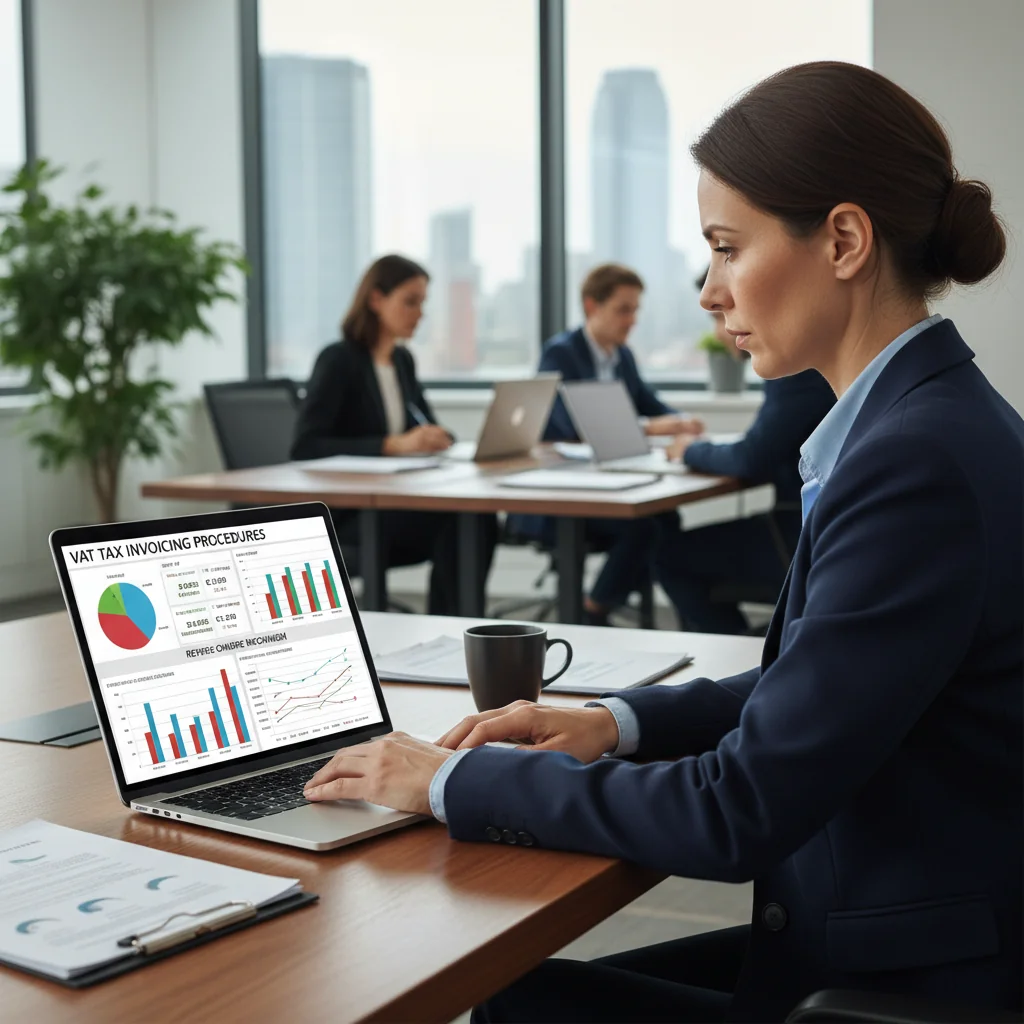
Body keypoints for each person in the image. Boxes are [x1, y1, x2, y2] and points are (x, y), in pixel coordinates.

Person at [302, 62, 1023, 1020]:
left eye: (727, 249)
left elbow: (737, 812)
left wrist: (455, 778)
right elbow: (815, 681)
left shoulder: (912, 464)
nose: (711, 292)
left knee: (526, 1008)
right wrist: (612, 723)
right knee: (528, 992)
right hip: (890, 928)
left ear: (844, 240)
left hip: (905, 978)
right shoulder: (933, 423)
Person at [291, 254, 496, 615]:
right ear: (376, 300)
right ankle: (449, 629)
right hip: (351, 515)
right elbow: (306, 446)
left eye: (422, 303)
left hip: (395, 503)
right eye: (410, 301)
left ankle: (460, 632)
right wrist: (391, 445)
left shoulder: (402, 361)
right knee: (463, 520)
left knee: (477, 515)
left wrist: (436, 436)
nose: (419, 313)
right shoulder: (339, 360)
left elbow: (426, 424)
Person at [513, 263, 704, 625]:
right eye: (623, 309)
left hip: (610, 485)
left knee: (667, 520)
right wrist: (652, 428)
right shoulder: (561, 353)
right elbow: (572, 427)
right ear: (591, 307)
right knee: (645, 527)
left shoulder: (622, 356)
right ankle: (594, 609)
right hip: (563, 496)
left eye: (635, 310)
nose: (632, 320)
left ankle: (609, 602)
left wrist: (682, 421)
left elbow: (651, 404)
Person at [651, 268, 836, 632]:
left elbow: (751, 458)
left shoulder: (794, 368)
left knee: (669, 555)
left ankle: (736, 660)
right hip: (803, 528)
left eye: (721, 315)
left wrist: (689, 450)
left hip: (796, 538)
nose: (721, 330)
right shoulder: (807, 357)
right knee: (668, 537)